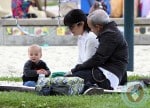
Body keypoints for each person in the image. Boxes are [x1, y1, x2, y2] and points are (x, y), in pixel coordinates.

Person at [71, 9, 128, 94]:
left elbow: (98, 58)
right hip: (105, 71)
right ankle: (92, 86)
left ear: (98, 27)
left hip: (109, 75)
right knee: (76, 76)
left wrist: (79, 67)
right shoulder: (110, 32)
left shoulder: (110, 35)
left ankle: (95, 87)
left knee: (76, 77)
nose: (91, 31)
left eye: (91, 28)